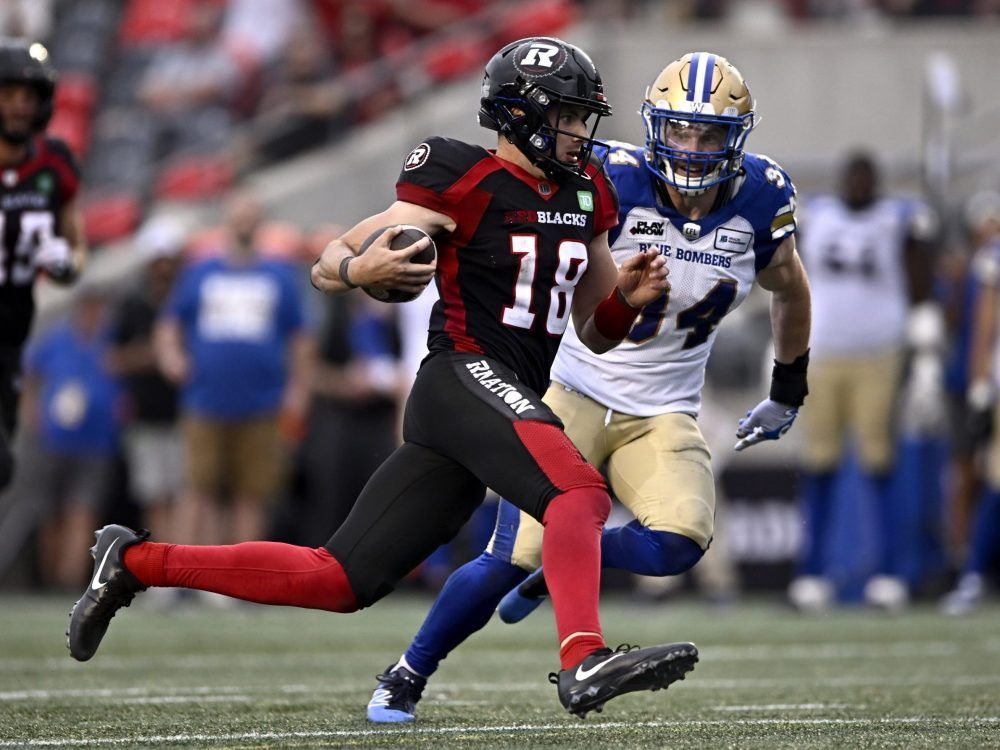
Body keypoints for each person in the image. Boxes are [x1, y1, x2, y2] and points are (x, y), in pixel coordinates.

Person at [67, 37, 692, 719]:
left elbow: (596, 334)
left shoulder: (587, 188)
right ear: (520, 115)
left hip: (495, 397)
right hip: (460, 375)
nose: (580, 132)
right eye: (569, 116)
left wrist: (625, 302)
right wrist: (354, 270)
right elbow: (332, 255)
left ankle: (132, 564)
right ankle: (582, 660)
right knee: (578, 493)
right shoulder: (458, 171)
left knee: (339, 579)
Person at [364, 50, 811, 724]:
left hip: (663, 407)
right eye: (680, 131)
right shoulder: (606, 177)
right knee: (504, 558)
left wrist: (788, 387)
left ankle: (558, 572)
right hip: (572, 386)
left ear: (736, 138)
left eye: (708, 134)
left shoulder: (761, 197)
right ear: (656, 127)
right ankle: (406, 672)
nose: (691, 148)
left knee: (681, 541)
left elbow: (790, 289)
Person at [789, 151, 939, 612]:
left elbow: (920, 278)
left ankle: (889, 572)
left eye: (865, 177)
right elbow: (785, 274)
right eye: (851, 176)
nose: (857, 184)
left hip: (880, 352)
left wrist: (926, 343)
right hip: (823, 352)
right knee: (819, 464)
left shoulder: (899, 218)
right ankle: (813, 574)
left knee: (879, 463)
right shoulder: (815, 215)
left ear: (876, 182)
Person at [154, 190, 312, 546]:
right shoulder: (199, 273)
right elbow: (169, 326)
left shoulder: (279, 275)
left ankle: (238, 580)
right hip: (205, 397)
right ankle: (182, 573)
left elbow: (301, 339)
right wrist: (173, 358)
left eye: (250, 215)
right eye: (238, 215)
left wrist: (298, 390)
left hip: (262, 400)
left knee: (252, 492)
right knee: (198, 488)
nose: (244, 222)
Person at [0, 38, 86, 492]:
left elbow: (77, 248)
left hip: (11, 334)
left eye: (26, 96)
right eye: (7, 94)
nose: (17, 106)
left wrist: (65, 263)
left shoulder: (54, 160)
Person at [106, 217, 187, 543]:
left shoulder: (188, 299)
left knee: (186, 493)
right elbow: (114, 358)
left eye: (168, 260)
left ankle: (186, 565)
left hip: (188, 409)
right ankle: (165, 567)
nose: (163, 268)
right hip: (146, 411)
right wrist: (150, 355)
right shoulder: (132, 303)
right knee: (155, 493)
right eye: (158, 261)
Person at [941, 190, 1000, 615]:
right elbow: (981, 325)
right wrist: (980, 383)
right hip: (992, 383)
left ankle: (975, 573)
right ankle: (972, 570)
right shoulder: (984, 260)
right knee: (985, 478)